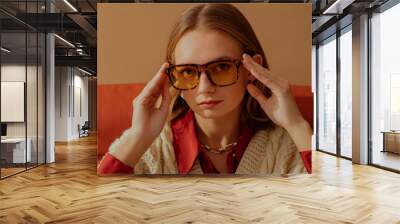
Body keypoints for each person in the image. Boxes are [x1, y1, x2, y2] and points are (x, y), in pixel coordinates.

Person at [98, 3, 312, 175]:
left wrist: (298, 127)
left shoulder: (285, 146)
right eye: (188, 71)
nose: (205, 87)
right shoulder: (152, 148)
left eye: (221, 67)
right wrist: (138, 136)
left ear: (251, 69)